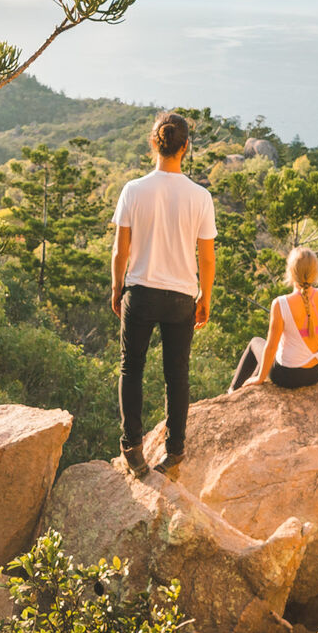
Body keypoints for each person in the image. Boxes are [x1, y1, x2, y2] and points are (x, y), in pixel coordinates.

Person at [110, 111, 216, 481]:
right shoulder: (200, 197)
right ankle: (174, 453)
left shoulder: (133, 190)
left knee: (131, 367)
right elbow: (206, 256)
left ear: (154, 143)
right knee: (177, 375)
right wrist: (205, 296)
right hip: (181, 297)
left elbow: (120, 251)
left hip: (139, 291)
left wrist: (116, 287)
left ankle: (133, 450)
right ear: (185, 147)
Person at [228, 246, 318, 392]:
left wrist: (260, 378)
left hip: (288, 376)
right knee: (270, 354)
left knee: (255, 342)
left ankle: (233, 391)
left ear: (291, 272)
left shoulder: (281, 303)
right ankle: (244, 388)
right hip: (315, 373)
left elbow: (271, 347)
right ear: (315, 271)